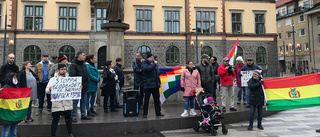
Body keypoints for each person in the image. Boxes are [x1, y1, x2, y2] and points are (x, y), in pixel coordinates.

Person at [46, 64, 75, 137]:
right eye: (62, 69)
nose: (63, 70)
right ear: (58, 70)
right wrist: (50, 89)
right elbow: (46, 91)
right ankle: (53, 135)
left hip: (67, 103)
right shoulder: (52, 79)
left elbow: (74, 90)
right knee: (55, 120)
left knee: (68, 119)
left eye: (65, 69)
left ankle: (70, 133)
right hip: (57, 104)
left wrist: (78, 87)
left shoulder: (70, 79)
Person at [70, 51, 91, 122]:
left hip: (85, 86)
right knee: (75, 101)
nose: (84, 57)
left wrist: (88, 81)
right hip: (77, 87)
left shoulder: (84, 65)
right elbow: (72, 76)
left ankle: (83, 114)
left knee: (83, 101)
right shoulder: (73, 65)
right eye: (83, 55)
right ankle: (73, 116)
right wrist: (78, 84)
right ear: (79, 56)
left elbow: (86, 74)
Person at [141, 52, 164, 118]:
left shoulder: (153, 64)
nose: (152, 58)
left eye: (152, 57)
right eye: (151, 57)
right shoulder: (144, 64)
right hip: (148, 85)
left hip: (155, 85)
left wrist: (159, 72)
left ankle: (158, 112)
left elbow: (157, 72)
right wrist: (154, 64)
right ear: (148, 58)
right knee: (146, 100)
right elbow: (147, 69)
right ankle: (145, 113)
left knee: (157, 99)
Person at [0, 73, 19, 137]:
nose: (16, 79)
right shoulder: (5, 88)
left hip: (14, 111)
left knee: (13, 129)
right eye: (14, 77)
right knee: (7, 128)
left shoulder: (15, 87)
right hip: (8, 113)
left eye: (16, 77)